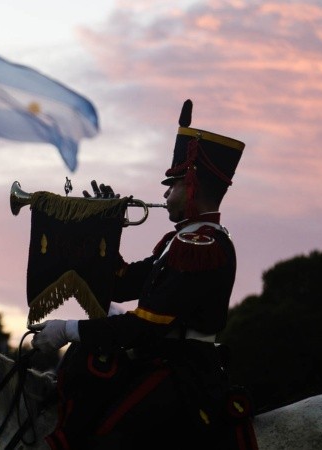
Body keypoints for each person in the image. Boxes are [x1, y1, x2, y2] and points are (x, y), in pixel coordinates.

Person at [29, 99, 249, 449]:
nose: (164, 193)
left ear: (190, 186)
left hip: (183, 373)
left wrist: (68, 330)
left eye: (172, 184)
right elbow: (120, 285)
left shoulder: (200, 245)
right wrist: (102, 229)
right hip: (160, 363)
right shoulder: (176, 242)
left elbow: (145, 326)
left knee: (107, 438)